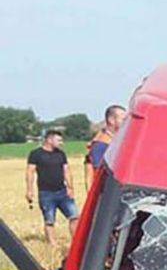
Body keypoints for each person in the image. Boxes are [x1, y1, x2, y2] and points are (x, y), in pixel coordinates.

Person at [26, 129, 78, 260]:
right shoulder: (36, 154)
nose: (62, 143)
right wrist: (29, 190)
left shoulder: (61, 154)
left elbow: (67, 171)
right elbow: (30, 172)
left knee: (74, 216)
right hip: (46, 193)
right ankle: (52, 244)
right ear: (49, 140)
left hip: (63, 192)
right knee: (49, 220)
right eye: (59, 140)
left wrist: (71, 188)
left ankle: (76, 241)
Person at [85, 104, 126, 186]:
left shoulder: (117, 141)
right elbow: (100, 174)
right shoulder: (101, 145)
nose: (126, 122)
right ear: (111, 120)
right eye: (123, 119)